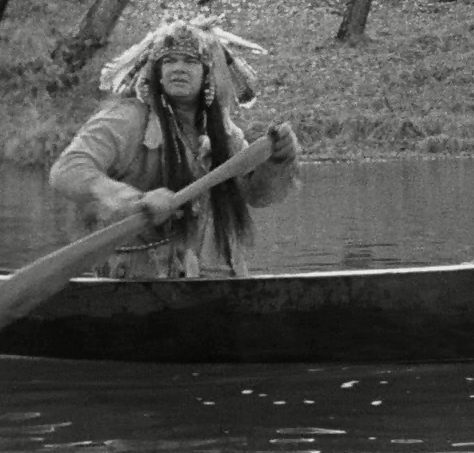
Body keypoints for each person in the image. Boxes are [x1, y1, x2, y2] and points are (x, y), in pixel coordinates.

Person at [49, 18, 300, 278]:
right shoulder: (125, 120)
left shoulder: (225, 135)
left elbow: (257, 196)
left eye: (190, 61)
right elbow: (67, 170)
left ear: (207, 74)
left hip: (217, 281)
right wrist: (133, 200)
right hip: (139, 283)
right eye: (169, 61)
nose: (178, 68)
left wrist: (278, 162)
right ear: (156, 72)